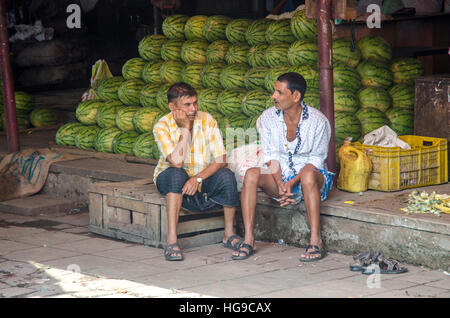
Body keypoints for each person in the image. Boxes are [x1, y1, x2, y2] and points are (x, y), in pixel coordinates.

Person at [232, 72, 334, 262]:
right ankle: (249, 240)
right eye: (274, 91)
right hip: (280, 175)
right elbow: (270, 155)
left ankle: (315, 241)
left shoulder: (318, 121)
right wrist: (280, 183)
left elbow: (317, 159)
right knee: (252, 174)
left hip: (309, 178)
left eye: (279, 92)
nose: (274, 96)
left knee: (309, 176)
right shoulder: (268, 118)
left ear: (296, 96)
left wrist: (293, 181)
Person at [153, 82, 242, 261]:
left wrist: (198, 179)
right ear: (173, 107)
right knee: (176, 174)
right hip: (171, 177)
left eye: (195, 103)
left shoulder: (207, 119)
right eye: (187, 105)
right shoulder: (161, 126)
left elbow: (220, 158)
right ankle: (172, 240)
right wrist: (185, 128)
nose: (193, 108)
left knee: (227, 175)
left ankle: (229, 234)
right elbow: (176, 162)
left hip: (201, 177)